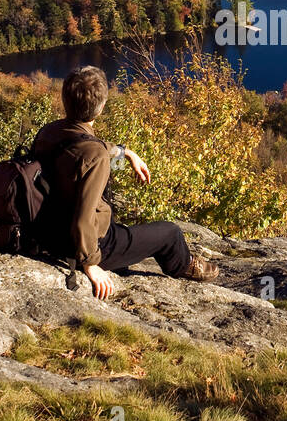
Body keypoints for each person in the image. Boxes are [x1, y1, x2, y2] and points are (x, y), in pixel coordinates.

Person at [32, 65, 219, 299]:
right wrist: (91, 264)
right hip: (90, 244)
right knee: (170, 233)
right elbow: (83, 217)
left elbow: (79, 145)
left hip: (50, 231)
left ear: (65, 100)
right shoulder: (95, 156)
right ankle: (184, 265)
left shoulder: (48, 132)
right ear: (100, 108)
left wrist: (125, 152)